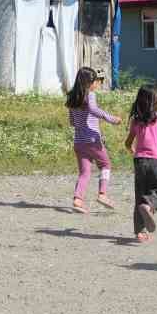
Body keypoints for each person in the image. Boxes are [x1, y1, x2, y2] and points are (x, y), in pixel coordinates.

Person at [124, 86, 157, 243]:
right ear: (156, 102)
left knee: (140, 196)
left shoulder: (136, 121)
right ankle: (149, 205)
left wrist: (134, 151)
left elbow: (128, 143)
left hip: (140, 162)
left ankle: (140, 232)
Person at [66, 67, 119, 213]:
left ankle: (78, 200)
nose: (97, 83)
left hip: (79, 141)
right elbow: (94, 110)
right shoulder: (90, 95)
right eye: (95, 80)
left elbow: (72, 122)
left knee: (84, 172)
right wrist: (111, 119)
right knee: (106, 165)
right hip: (92, 139)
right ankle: (102, 194)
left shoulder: (72, 98)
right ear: (89, 83)